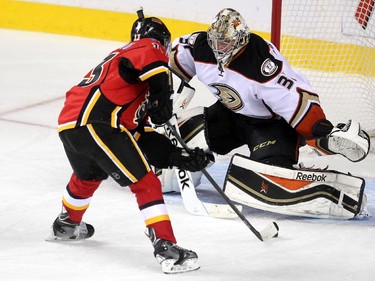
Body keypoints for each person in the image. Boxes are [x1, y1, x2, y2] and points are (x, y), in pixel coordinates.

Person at [46, 8, 210, 274]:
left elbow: (137, 136)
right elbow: (154, 65)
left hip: (72, 124)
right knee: (145, 183)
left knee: (88, 176)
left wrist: (176, 156)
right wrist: (161, 96)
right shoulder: (147, 46)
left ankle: (67, 224)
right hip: (97, 122)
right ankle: (166, 247)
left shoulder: (127, 81)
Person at [166, 8, 370, 219]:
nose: (218, 48)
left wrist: (317, 130)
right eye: (215, 41)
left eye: (224, 43)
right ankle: (197, 162)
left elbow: (298, 97)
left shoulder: (262, 65)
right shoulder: (201, 47)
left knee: (262, 181)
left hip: (270, 127)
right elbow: (171, 61)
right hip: (229, 116)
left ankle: (332, 186)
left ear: (240, 40)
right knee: (175, 149)